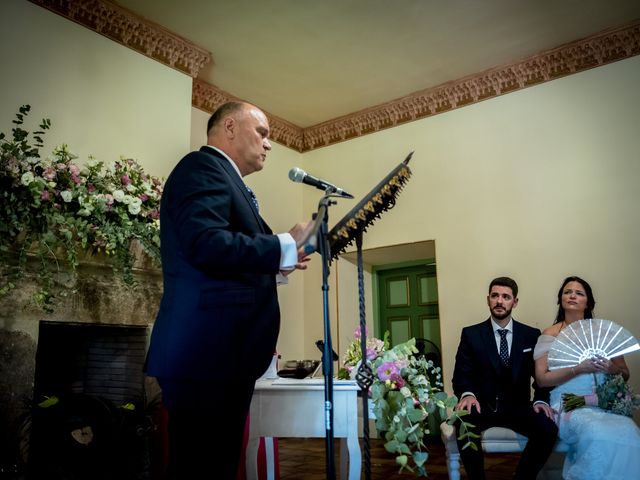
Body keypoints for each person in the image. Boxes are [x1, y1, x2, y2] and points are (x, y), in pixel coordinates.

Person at [145, 101, 313, 479]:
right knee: (200, 466)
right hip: (204, 352)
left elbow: (224, 260)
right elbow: (206, 243)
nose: (269, 144)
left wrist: (282, 260)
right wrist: (282, 244)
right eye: (263, 132)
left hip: (220, 353)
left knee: (216, 465)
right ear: (231, 127)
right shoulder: (201, 167)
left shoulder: (227, 179)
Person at [534, 275, 640, 479]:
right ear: (560, 299)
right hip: (569, 404)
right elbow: (542, 379)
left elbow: (625, 374)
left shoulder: (603, 333)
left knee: (630, 431)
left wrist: (611, 369)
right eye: (567, 292)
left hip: (603, 404)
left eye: (579, 293)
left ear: (588, 302)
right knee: (596, 433)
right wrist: (578, 369)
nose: (572, 296)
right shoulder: (550, 335)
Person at [452, 276, 558, 480]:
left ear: (514, 302)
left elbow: (541, 375)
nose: (500, 301)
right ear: (488, 299)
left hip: (518, 407)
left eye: (506, 297)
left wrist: (541, 398)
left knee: (548, 429)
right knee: (463, 426)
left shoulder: (530, 334)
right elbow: (461, 374)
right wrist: (467, 394)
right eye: (495, 296)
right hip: (482, 406)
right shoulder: (471, 334)